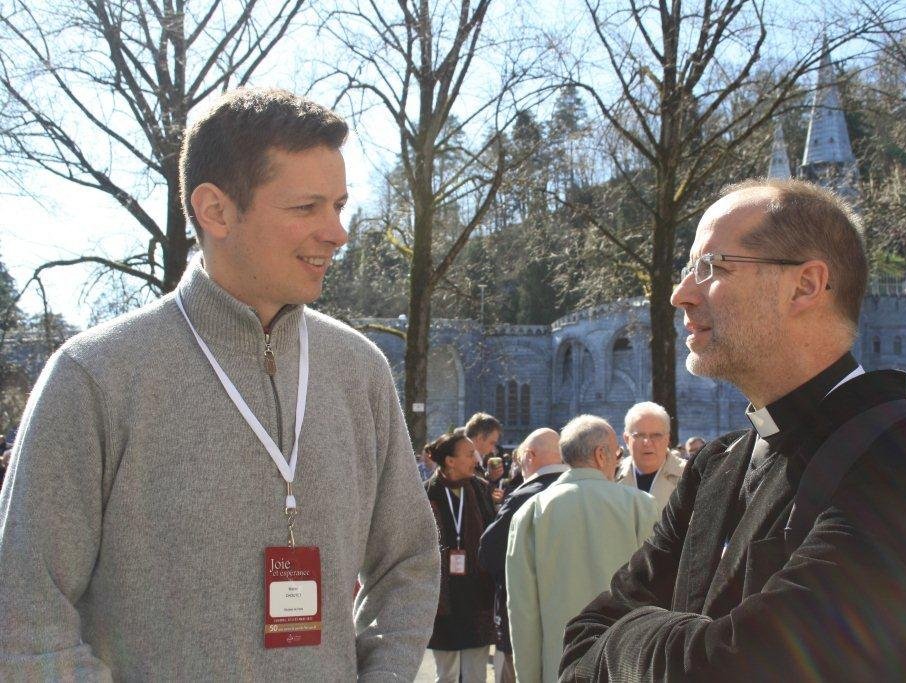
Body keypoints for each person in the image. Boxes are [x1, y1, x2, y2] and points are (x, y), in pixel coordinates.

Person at [0, 88, 440, 680]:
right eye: (308, 207)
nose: (338, 233)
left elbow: (408, 562)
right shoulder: (96, 375)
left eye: (339, 204)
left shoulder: (359, 370)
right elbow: (24, 614)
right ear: (216, 210)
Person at [559, 179, 906, 680]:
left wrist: (626, 640)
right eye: (687, 271)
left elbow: (750, 666)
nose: (680, 295)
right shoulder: (715, 466)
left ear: (806, 285)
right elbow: (580, 639)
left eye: (712, 268)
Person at [507, 416, 658, 683]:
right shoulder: (640, 505)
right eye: (617, 453)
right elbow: (658, 595)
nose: (618, 461)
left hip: (559, 667)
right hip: (626, 665)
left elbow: (522, 611)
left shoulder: (531, 513)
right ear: (602, 455)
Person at [479, 428, 568, 683]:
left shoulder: (523, 497)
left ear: (529, 455)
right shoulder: (584, 493)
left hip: (522, 623)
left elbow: (488, 555)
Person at [423, 431, 497, 682]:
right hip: (444, 600)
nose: (475, 459)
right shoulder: (426, 494)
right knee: (447, 674)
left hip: (477, 595)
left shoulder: (480, 490)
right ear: (450, 461)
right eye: (468, 454)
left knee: (476, 673)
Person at [615, 401, 687, 509]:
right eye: (639, 435)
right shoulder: (610, 476)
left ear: (667, 439)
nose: (647, 442)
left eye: (656, 435)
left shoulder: (689, 476)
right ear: (626, 439)